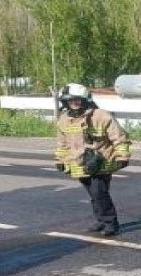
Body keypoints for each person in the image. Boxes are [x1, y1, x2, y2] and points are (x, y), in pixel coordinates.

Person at [53, 83, 132, 236]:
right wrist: (60, 160)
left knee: (99, 193)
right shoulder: (64, 120)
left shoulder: (101, 116)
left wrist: (122, 156)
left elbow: (119, 138)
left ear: (85, 100)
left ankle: (111, 223)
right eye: (70, 101)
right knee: (92, 194)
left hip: (101, 162)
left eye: (77, 100)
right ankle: (101, 220)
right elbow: (62, 143)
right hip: (79, 164)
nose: (74, 103)